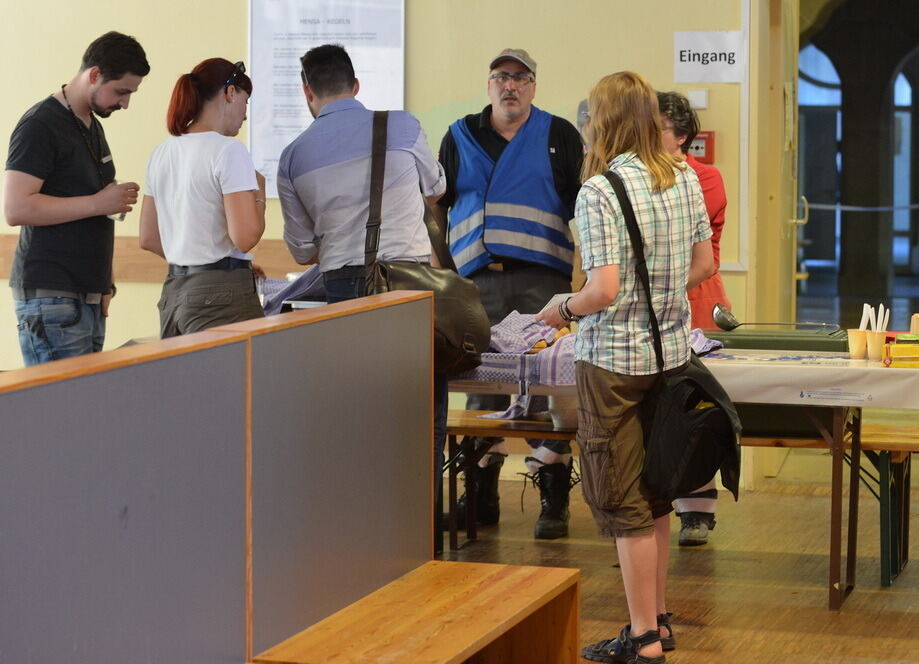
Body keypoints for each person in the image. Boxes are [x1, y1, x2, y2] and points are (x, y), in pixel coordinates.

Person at [538, 71, 713, 663]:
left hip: (612, 362)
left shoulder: (599, 191)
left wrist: (563, 308)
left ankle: (641, 640)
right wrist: (658, 289)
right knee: (658, 491)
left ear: (603, 121)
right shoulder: (683, 176)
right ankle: (658, 622)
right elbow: (703, 263)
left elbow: (603, 289)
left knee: (623, 500)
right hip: (671, 357)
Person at [277, 43, 448, 547]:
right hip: (410, 283)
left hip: (343, 289)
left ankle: (362, 537)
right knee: (420, 406)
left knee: (355, 410)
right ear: (356, 86)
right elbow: (435, 187)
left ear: (308, 93)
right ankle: (419, 529)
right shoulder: (402, 125)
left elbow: (303, 249)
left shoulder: (293, 157)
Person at [432, 48, 583, 540]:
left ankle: (553, 499)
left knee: (545, 386)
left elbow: (585, 213)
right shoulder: (457, 136)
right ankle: (480, 499)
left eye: (521, 77)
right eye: (501, 76)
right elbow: (436, 208)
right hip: (478, 284)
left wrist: (582, 286)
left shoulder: (560, 135)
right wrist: (443, 273)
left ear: (534, 86)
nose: (510, 85)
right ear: (489, 84)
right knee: (480, 387)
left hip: (543, 284)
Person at [4, 31, 149, 365]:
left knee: (81, 412)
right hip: (52, 297)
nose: (125, 103)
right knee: (60, 414)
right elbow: (16, 207)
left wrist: (104, 285)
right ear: (94, 75)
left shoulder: (91, 124)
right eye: (122, 91)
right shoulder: (41, 124)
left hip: (87, 297)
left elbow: (91, 207)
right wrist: (99, 203)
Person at [138, 58, 266, 337]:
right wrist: (260, 195)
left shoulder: (162, 152)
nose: (245, 115)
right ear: (230, 93)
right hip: (220, 298)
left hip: (174, 291)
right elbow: (245, 238)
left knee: (186, 380)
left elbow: (148, 237)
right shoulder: (229, 151)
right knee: (236, 379)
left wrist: (199, 259)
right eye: (246, 102)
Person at [658, 90, 731, 546]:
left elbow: (679, 236)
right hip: (651, 303)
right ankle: (660, 503)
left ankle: (698, 508)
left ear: (682, 136)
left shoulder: (704, 178)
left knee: (694, 402)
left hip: (695, 299)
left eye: (657, 127)